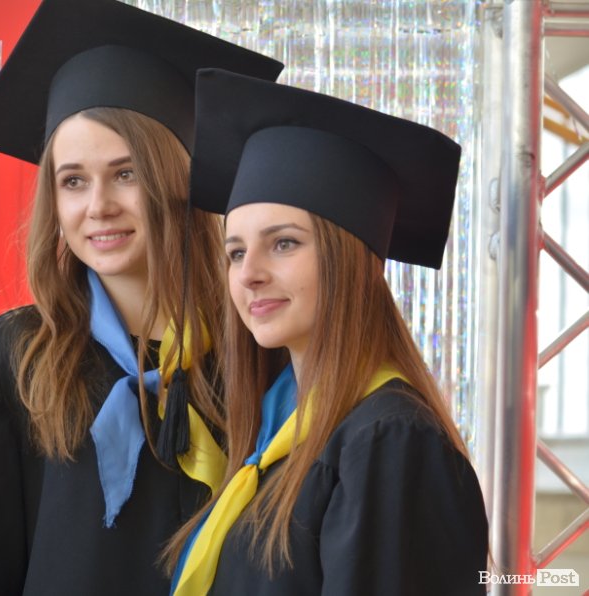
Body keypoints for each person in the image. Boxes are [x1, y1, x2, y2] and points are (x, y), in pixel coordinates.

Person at [0, 2, 282, 594]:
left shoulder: (261, 356)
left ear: (178, 179)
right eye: (73, 181)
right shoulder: (5, 369)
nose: (99, 207)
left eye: (126, 173)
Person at [167, 69, 489, 595]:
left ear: (351, 261)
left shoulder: (390, 440)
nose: (248, 274)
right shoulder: (275, 433)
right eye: (236, 252)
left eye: (284, 243)